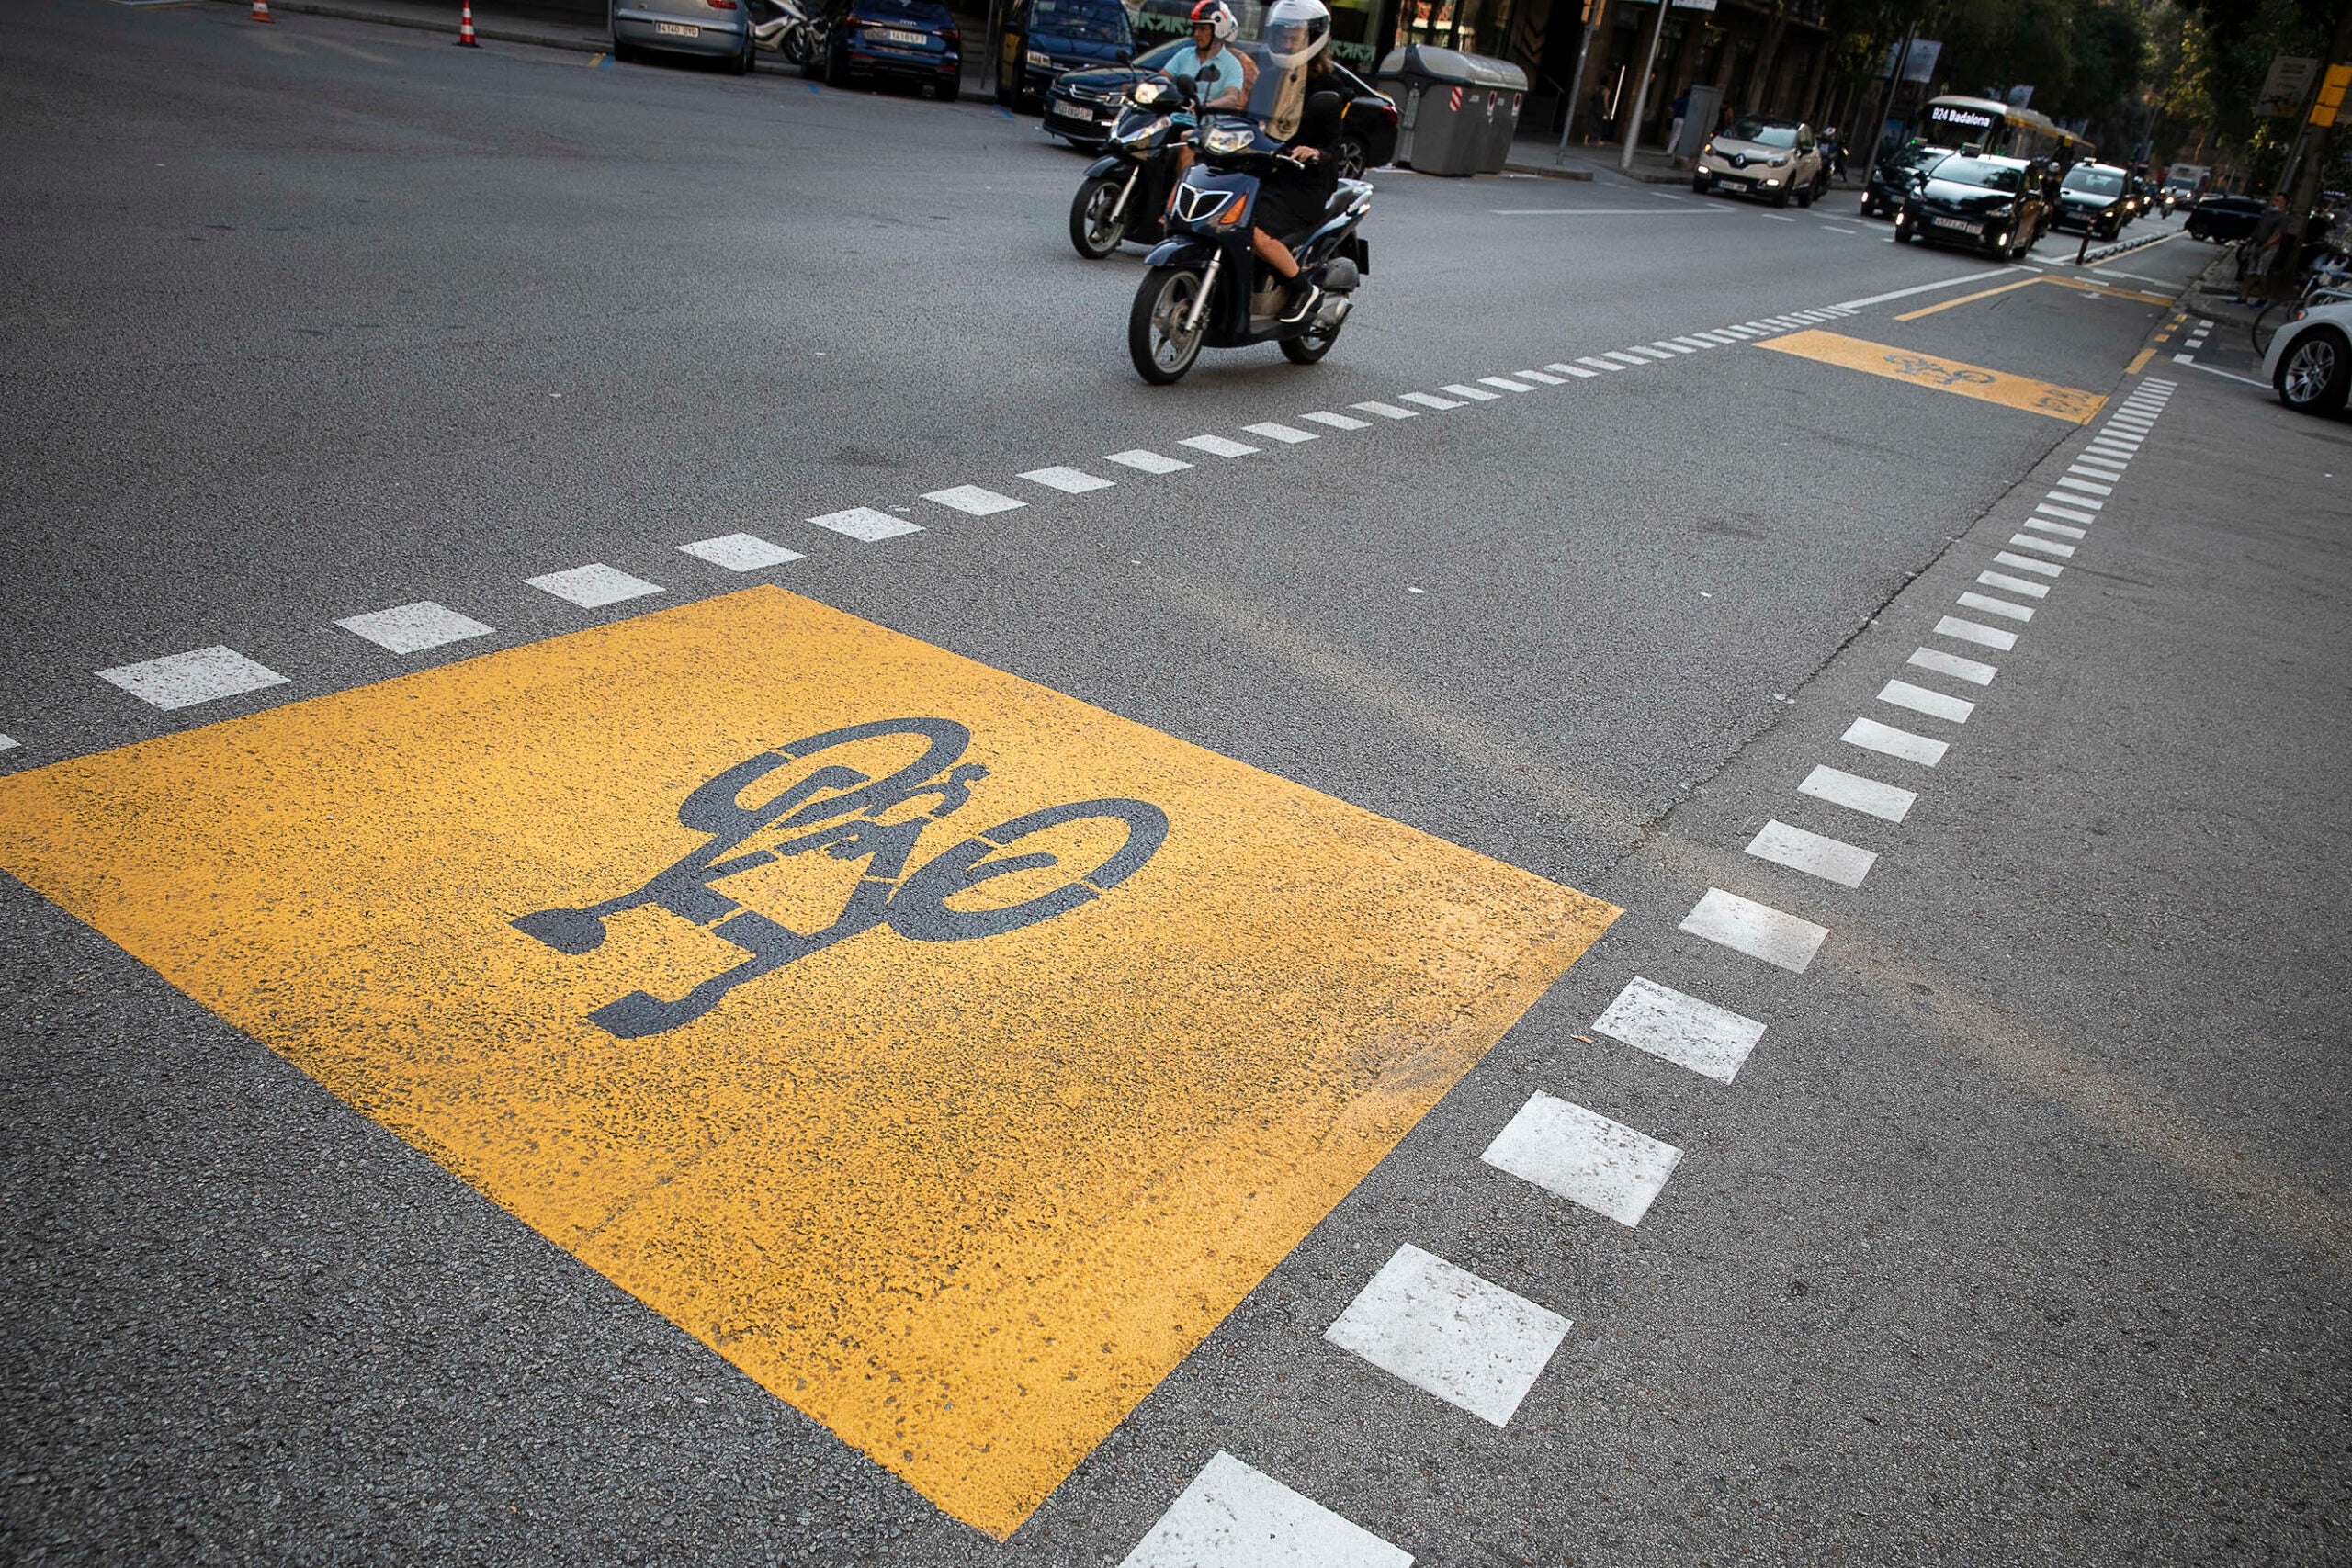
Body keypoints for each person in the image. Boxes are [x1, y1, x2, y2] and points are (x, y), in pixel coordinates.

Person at [1242, 0, 1343, 324]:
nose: (1287, 41)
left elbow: (1332, 147)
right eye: (1282, 34)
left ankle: (1302, 289)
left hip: (1304, 182)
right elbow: (1247, 119)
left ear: (1312, 36)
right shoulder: (1269, 76)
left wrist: (1313, 153)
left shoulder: (1328, 86)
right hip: (1264, 172)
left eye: (1294, 35)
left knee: (1254, 230)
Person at [2240, 192, 2290, 305]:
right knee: (2252, 272)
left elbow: (2277, 235)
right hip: (2257, 244)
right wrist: (2249, 244)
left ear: (2284, 204)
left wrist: (2265, 246)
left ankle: (2264, 297)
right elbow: (2258, 230)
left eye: (2278, 201)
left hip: (2269, 248)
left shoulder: (2283, 218)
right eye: (2274, 200)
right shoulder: (2267, 214)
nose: (2275, 203)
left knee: (2262, 273)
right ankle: (2243, 297)